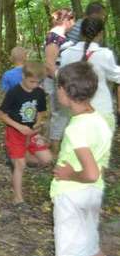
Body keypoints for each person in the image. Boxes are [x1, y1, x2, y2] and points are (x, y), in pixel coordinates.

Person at [51, 61, 112, 256]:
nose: (57, 91)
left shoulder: (76, 128)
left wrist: (69, 173)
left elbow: (91, 173)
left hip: (72, 196)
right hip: (92, 194)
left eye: (58, 87)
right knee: (90, 246)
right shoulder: (100, 120)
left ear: (65, 91)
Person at [0, 61, 53, 207]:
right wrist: (19, 127)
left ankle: (16, 157)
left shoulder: (39, 92)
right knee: (20, 165)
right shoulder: (14, 92)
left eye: (37, 82)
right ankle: (18, 198)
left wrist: (38, 125)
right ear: (23, 76)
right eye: (31, 81)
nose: (34, 85)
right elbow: (1, 114)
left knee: (46, 159)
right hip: (15, 131)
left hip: (32, 133)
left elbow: (41, 112)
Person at [60, 17, 120, 132]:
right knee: (101, 150)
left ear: (81, 32)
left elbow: (61, 81)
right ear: (101, 34)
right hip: (102, 111)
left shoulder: (66, 54)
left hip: (75, 112)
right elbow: (117, 77)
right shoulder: (105, 54)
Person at [44, 8, 75, 154]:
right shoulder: (54, 36)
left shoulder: (61, 36)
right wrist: (61, 82)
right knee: (60, 114)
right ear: (65, 20)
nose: (74, 22)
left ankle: (52, 145)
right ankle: (55, 151)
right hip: (58, 81)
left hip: (63, 79)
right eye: (72, 18)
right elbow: (50, 65)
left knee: (61, 114)